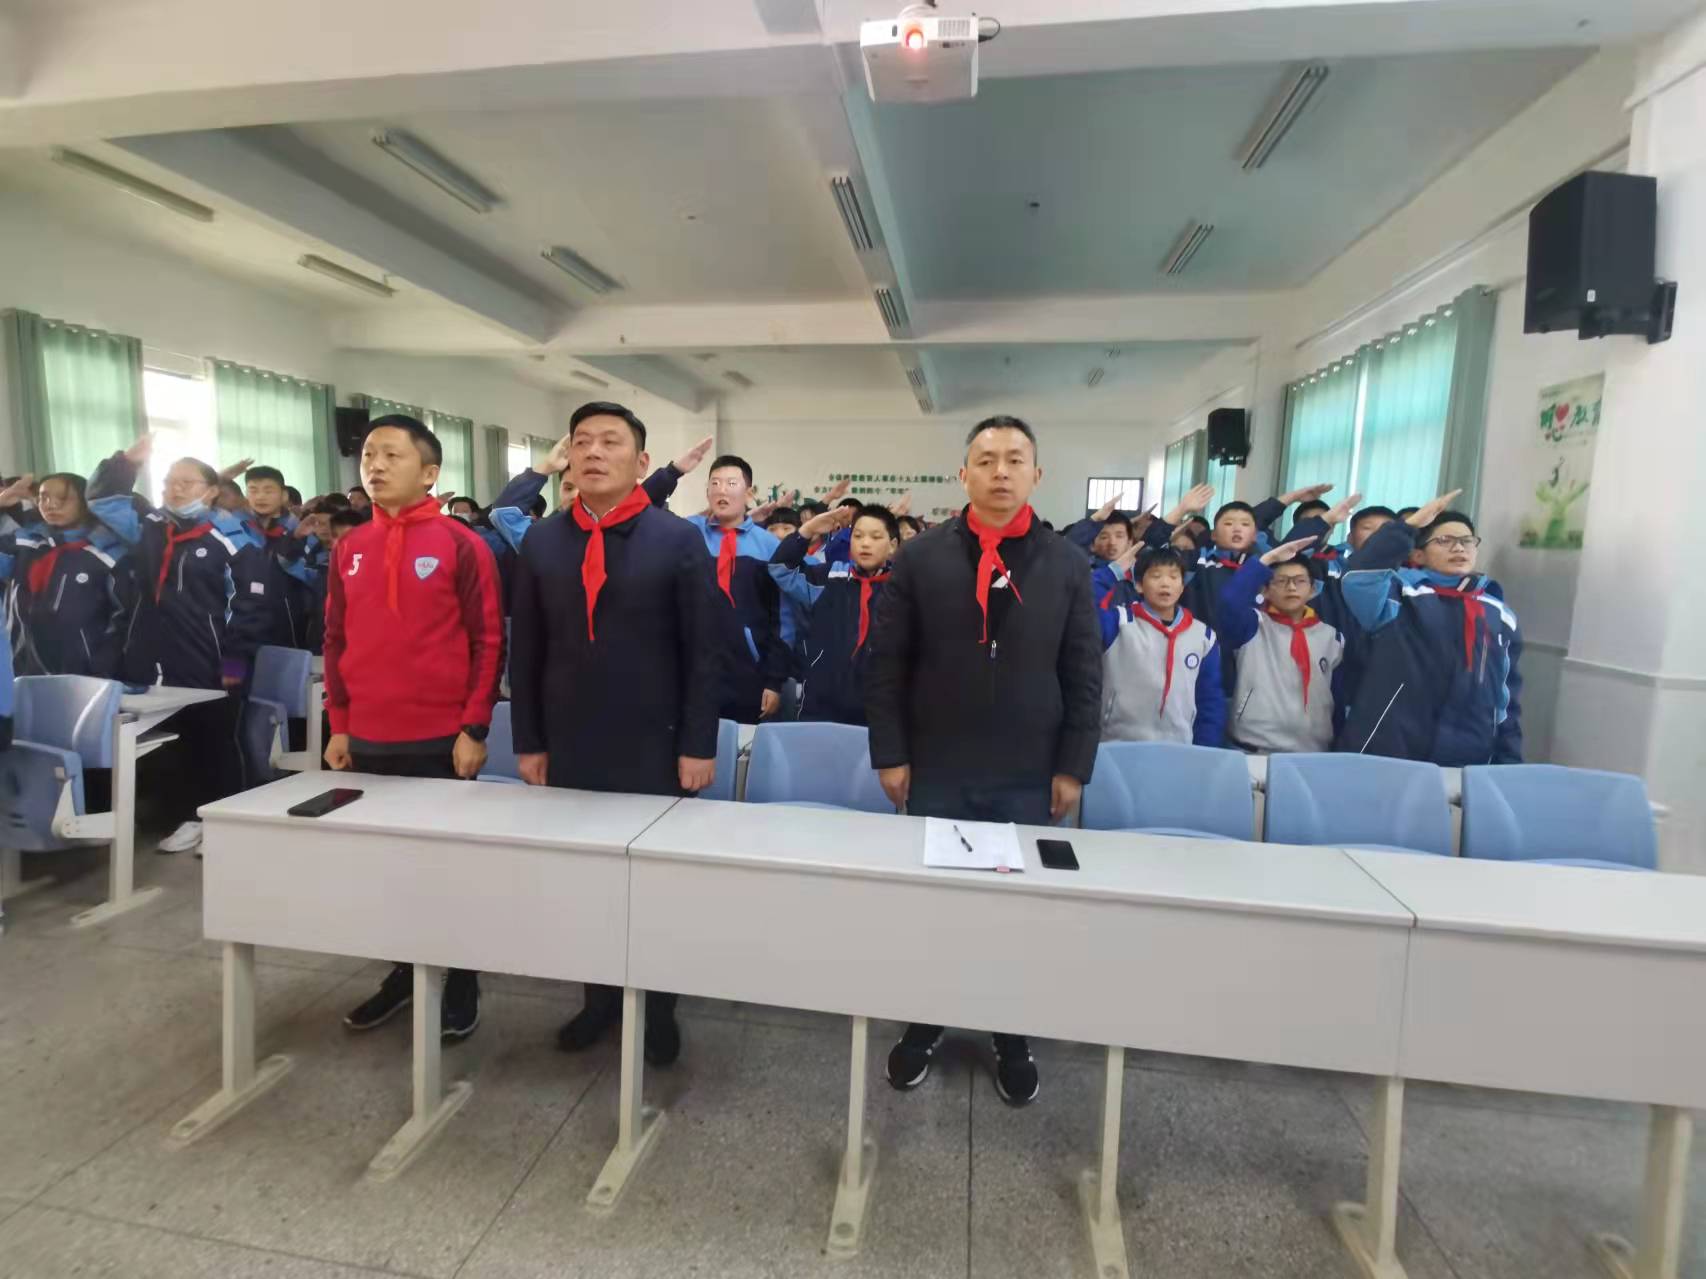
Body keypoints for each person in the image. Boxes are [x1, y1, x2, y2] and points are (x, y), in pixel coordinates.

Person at [865, 414, 1102, 1107]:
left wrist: (1073, 764)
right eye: (987, 459)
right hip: (937, 760)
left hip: (1030, 765)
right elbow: (888, 662)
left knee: (1016, 907)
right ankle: (927, 1018)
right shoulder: (920, 557)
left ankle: (1010, 1030)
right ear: (963, 473)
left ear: (1037, 474)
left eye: (1015, 459)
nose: (1001, 471)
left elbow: (1084, 670)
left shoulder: (1066, 563)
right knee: (938, 902)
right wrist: (891, 752)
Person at [508, 401, 722, 1066]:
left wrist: (699, 743)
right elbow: (527, 649)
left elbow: (703, 651)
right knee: (586, 883)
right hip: (570, 741)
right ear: (568, 458)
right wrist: (529, 740)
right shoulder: (543, 541)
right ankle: (598, 999)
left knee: (655, 886)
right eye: (582, 442)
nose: (594, 452)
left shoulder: (676, 539)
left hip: (656, 742)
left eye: (611, 441)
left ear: (642, 461)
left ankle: (658, 1006)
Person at [324, 415, 505, 1041]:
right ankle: (403, 974)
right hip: (368, 738)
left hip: (442, 739)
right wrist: (340, 725)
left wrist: (474, 727)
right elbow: (336, 639)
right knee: (386, 871)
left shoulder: (461, 543)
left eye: (391, 456)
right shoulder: (350, 546)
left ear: (429, 473)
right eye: (368, 455)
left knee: (447, 869)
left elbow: (488, 640)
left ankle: (461, 981)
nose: (374, 466)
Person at [87, 436, 271, 855]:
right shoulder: (150, 529)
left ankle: (224, 819)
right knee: (171, 745)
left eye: (186, 483)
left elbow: (251, 610)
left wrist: (235, 666)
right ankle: (183, 816)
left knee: (217, 742)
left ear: (211, 491)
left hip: (211, 663)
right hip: (151, 660)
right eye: (169, 481)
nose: (175, 489)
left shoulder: (234, 540)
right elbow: (102, 500)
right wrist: (125, 463)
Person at [1335, 492, 1523, 765]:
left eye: (1466, 541)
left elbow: (1505, 698)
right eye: (1444, 541)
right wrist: (1409, 526)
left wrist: (1508, 758)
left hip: (1468, 751)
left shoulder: (1499, 613)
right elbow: (1358, 576)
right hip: (1390, 747)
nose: (1458, 548)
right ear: (1418, 554)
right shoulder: (1399, 594)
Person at [769, 503, 897, 725]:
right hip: (821, 705)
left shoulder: (902, 588)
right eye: (858, 536)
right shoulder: (830, 577)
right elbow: (780, 569)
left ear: (892, 545)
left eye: (876, 537)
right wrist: (807, 531)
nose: (865, 543)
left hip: (880, 711)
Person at [0, 470, 134, 677]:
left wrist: (103, 668)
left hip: (85, 674)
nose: (50, 504)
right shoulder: (25, 541)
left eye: (63, 498)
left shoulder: (108, 551)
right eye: (43, 497)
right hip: (23, 670)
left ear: (84, 501)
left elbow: (123, 619)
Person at [1217, 538, 1344, 752]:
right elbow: (1230, 601)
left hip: (1314, 752)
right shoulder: (1252, 625)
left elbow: (1337, 700)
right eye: (1281, 581)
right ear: (1265, 590)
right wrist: (1268, 559)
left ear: (1313, 589)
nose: (1291, 587)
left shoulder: (1332, 637)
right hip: (1253, 747)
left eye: (1299, 581)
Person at [1093, 545, 1226, 746]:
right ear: (1139, 585)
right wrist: (1112, 573)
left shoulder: (1203, 636)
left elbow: (1209, 701)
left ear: (1182, 587)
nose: (1165, 583)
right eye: (1156, 576)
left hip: (1180, 748)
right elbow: (1081, 605)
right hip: (1118, 744)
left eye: (1173, 577)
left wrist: (1204, 752)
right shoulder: (1118, 622)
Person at [688, 455, 787, 724]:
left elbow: (782, 617)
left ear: (749, 493)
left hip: (748, 673)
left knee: (741, 746)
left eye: (731, 483)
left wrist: (774, 680)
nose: (721, 490)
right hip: (692, 671)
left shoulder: (769, 546)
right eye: (715, 483)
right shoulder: (689, 536)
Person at [239, 465, 320, 651]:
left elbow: (311, 572)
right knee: (239, 662)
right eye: (253, 490)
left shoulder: (301, 528)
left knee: (285, 664)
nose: (260, 497)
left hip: (287, 617)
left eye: (268, 490)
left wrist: (293, 541)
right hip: (244, 619)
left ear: (283, 496)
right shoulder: (238, 528)